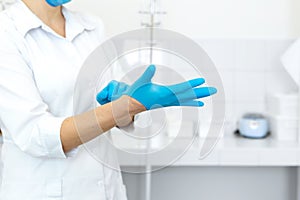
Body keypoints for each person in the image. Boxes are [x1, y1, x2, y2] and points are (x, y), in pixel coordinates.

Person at [0, 0, 217, 199]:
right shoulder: (7, 32)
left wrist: (127, 104)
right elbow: (34, 134)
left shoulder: (92, 27)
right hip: (42, 190)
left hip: (105, 188)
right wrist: (121, 109)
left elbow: (117, 114)